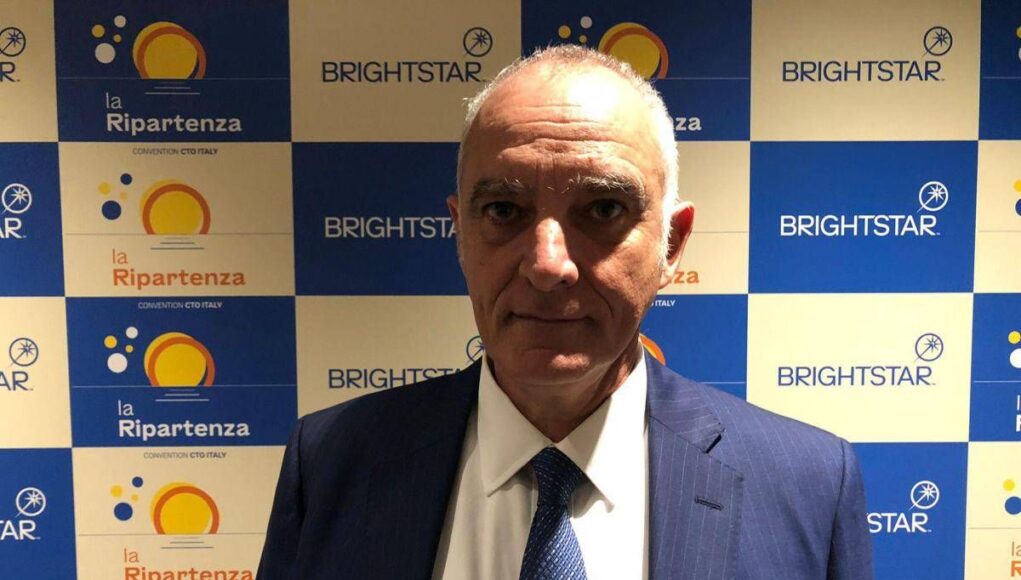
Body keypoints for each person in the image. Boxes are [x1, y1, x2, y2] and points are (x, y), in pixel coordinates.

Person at [257, 45, 873, 580]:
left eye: (603, 210)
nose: (548, 265)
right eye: (503, 211)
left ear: (672, 245)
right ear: (460, 233)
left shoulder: (809, 484)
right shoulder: (333, 462)